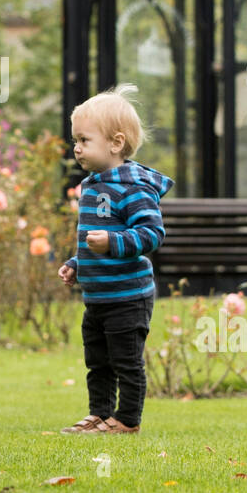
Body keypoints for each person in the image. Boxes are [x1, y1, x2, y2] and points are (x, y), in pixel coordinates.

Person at [57, 83, 172, 434]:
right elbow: (92, 240)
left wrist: (113, 242)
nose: (76, 148)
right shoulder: (92, 185)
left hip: (128, 296)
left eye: (84, 140)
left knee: (126, 362)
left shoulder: (133, 187)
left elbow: (151, 234)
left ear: (116, 143)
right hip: (97, 297)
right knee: (98, 362)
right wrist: (77, 264)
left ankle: (127, 420)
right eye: (75, 140)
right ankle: (100, 414)